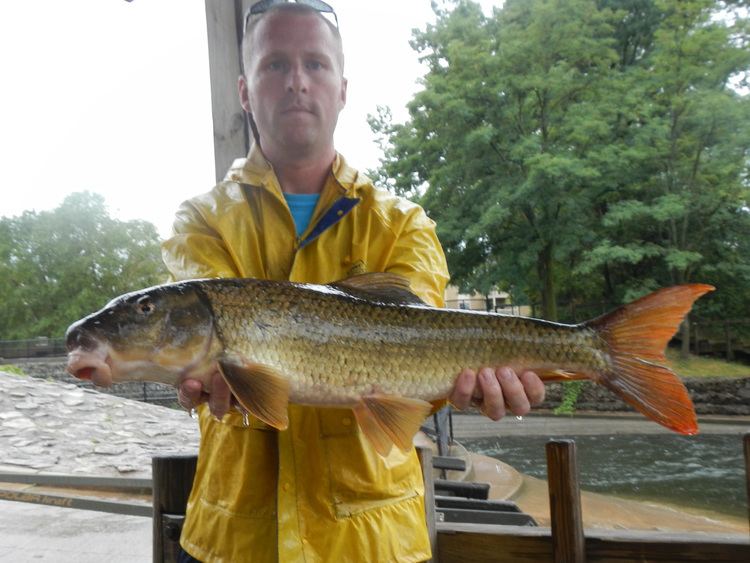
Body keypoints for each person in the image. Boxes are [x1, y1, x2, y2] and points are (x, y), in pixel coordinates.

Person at [162, 2, 545, 561]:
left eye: (315, 64)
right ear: (244, 91)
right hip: (235, 540)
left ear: (343, 88)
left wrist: (478, 381)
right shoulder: (200, 221)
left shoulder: (404, 224)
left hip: (372, 540)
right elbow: (207, 360)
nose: (296, 82)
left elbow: (427, 350)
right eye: (275, 65)